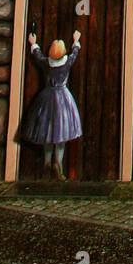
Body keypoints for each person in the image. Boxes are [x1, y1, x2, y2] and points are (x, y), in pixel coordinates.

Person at [22, 30, 82, 180]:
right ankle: (59, 167)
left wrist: (33, 43)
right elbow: (75, 53)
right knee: (61, 135)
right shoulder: (66, 62)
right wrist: (76, 41)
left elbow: (38, 55)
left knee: (47, 133)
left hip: (47, 98)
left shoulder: (46, 63)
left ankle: (47, 163)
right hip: (63, 99)